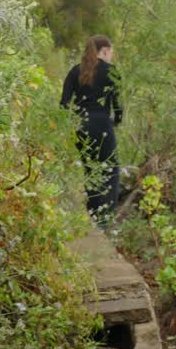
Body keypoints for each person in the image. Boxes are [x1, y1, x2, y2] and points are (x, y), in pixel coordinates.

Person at [60, 35, 122, 227]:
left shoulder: (75, 71)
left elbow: (64, 105)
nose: (112, 56)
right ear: (104, 51)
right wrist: (115, 122)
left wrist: (72, 124)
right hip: (103, 125)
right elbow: (118, 107)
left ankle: (93, 215)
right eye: (111, 52)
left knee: (90, 170)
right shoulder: (112, 72)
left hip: (81, 127)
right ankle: (105, 220)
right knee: (111, 172)